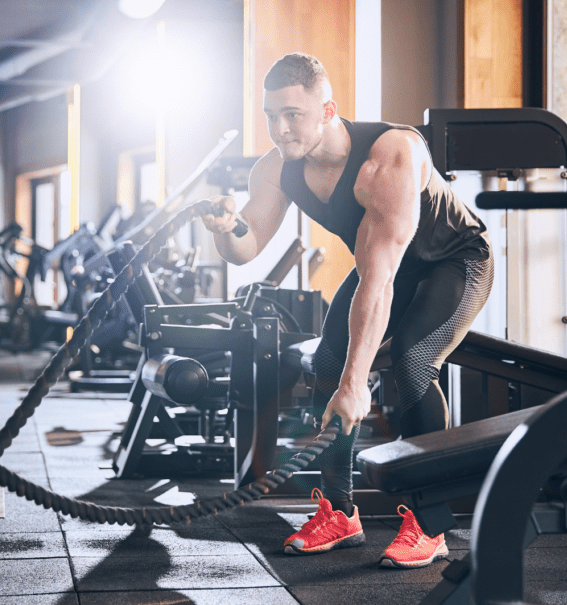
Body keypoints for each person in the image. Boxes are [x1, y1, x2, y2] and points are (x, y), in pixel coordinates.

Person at [202, 53, 493, 568]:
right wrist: (227, 229)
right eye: (271, 115)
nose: (279, 127)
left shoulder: (390, 155)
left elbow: (378, 283)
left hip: (454, 262)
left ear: (328, 109)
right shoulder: (276, 168)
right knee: (326, 364)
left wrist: (358, 383)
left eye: (292, 114)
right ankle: (339, 513)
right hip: (388, 269)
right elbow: (246, 250)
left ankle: (430, 523)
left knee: (411, 361)